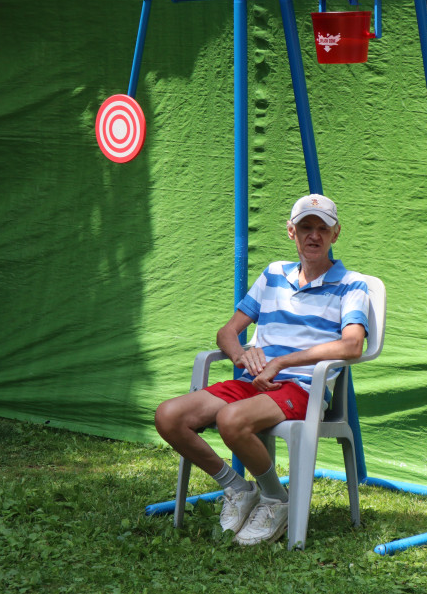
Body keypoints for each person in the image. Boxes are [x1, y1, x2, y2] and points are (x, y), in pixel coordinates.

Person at [154, 194, 370, 544]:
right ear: (291, 232)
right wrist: (242, 355)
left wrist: (282, 361)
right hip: (253, 382)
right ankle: (238, 489)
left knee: (231, 419)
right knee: (169, 416)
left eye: (322, 228)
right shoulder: (272, 275)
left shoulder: (353, 284)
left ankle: (276, 498)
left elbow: (352, 345)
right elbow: (227, 332)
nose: (313, 236)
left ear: (336, 234)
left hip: (302, 388)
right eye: (305, 228)